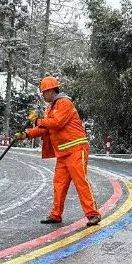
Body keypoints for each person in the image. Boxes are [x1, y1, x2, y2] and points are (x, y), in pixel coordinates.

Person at [19, 76, 102, 227]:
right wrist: (26, 134)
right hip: (63, 153)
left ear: (50, 91)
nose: (43, 95)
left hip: (76, 148)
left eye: (44, 92)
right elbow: (45, 128)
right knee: (59, 184)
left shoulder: (65, 103)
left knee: (80, 182)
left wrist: (37, 120)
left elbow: (57, 123)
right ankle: (56, 215)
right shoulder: (50, 108)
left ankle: (93, 214)